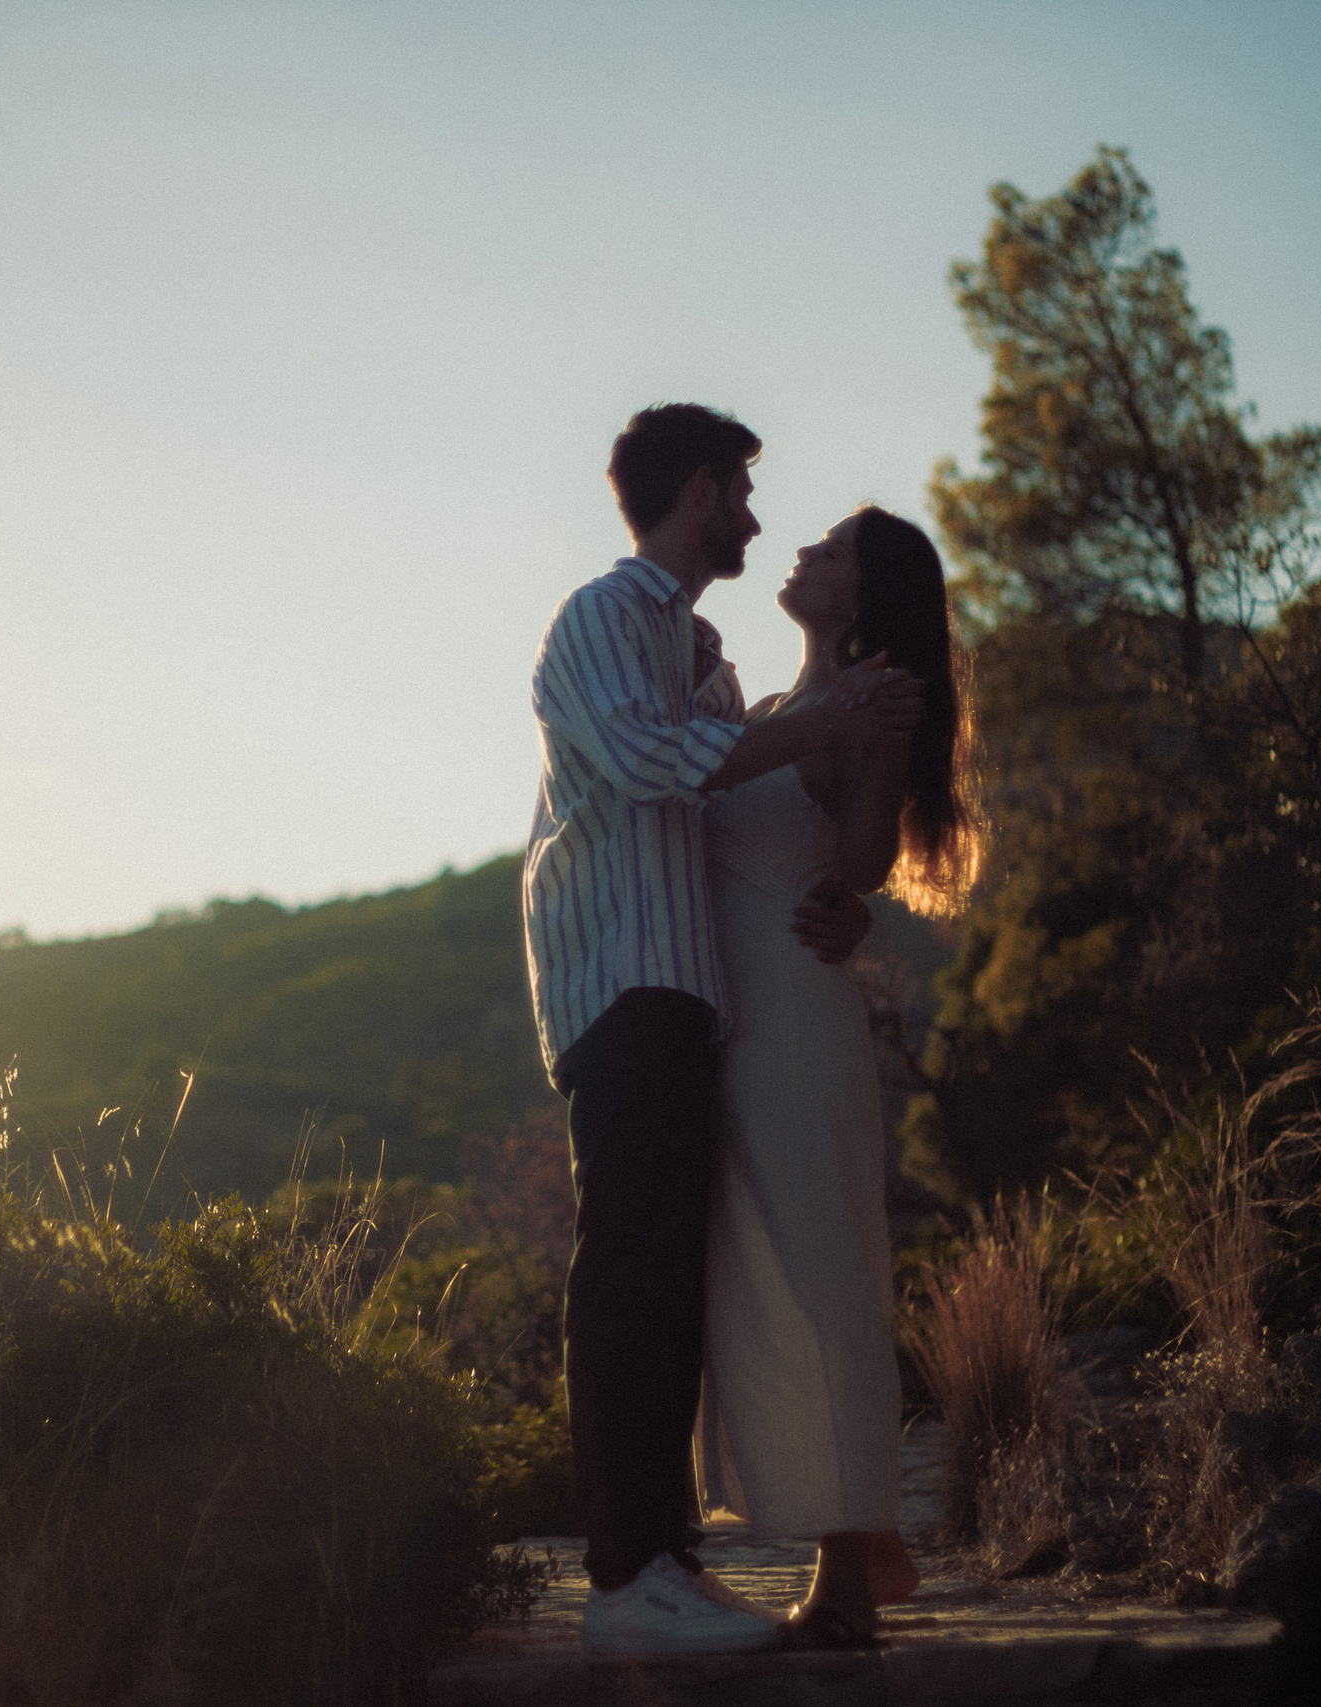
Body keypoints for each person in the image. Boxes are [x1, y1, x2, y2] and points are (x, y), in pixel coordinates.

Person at [523, 405, 922, 1657]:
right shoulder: (601, 615)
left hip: (712, 1002)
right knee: (637, 1276)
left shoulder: (701, 651)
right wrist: (822, 726)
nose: (760, 520)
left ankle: (674, 1563)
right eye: (745, 492)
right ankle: (630, 1574)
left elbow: (750, 818)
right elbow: (652, 766)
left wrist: (845, 901)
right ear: (701, 491)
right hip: (629, 981)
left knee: (674, 1282)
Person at [695, 505, 974, 1650]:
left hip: (797, 1019)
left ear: (863, 594)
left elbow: (861, 859)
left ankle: (848, 1580)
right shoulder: (774, 705)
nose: (804, 552)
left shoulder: (874, 701)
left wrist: (856, 886)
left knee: (822, 1272)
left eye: (833, 548)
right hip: (738, 1015)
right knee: (767, 1270)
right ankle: (869, 1539)